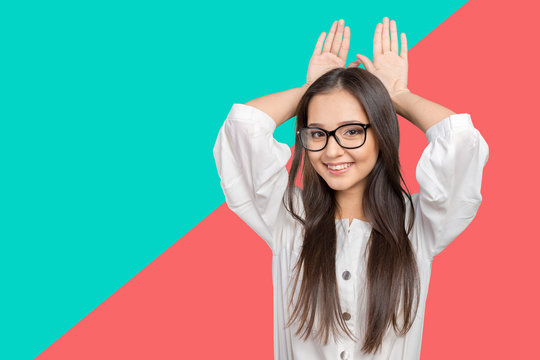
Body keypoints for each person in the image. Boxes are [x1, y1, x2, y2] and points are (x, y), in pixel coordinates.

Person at [213, 17, 489, 360]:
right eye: (318, 133)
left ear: (380, 133)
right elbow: (242, 128)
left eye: (351, 131)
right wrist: (311, 89)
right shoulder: (289, 221)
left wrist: (396, 96)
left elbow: (459, 140)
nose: (332, 150)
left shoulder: (418, 226)